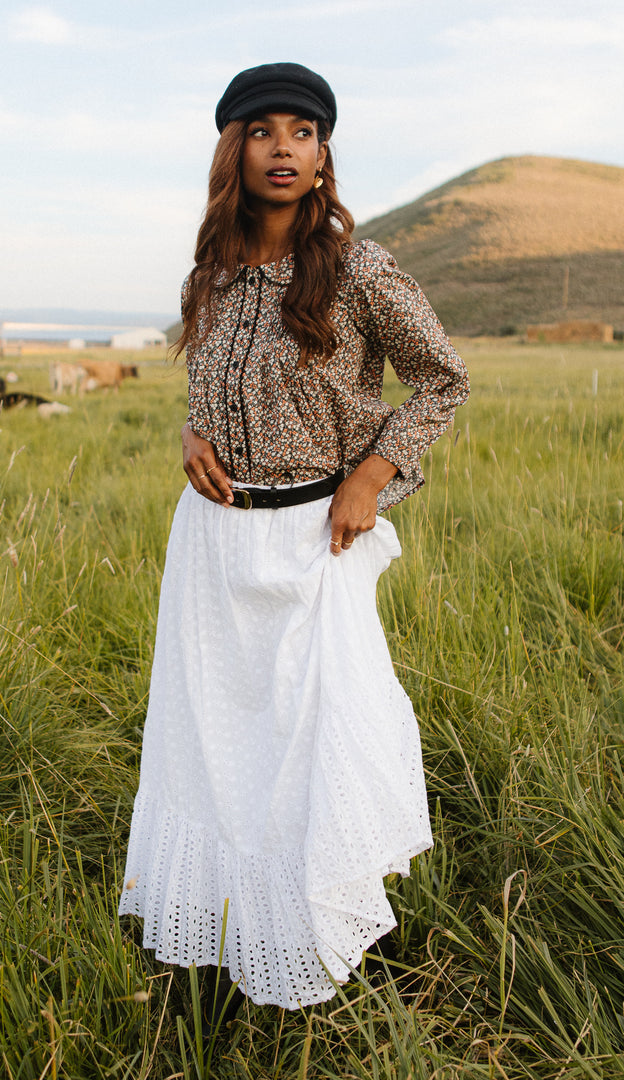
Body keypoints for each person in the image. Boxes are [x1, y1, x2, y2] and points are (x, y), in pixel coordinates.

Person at [119, 62, 469, 1016]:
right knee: (212, 738)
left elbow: (443, 379)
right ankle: (222, 922)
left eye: (304, 132)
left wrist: (372, 475)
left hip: (315, 540)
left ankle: (311, 944)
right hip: (211, 546)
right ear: (235, 148)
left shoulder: (359, 268)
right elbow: (207, 379)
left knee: (316, 745)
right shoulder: (214, 268)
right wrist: (192, 431)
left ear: (323, 155)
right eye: (264, 130)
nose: (285, 148)